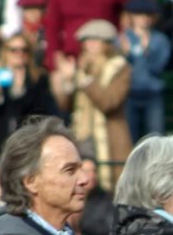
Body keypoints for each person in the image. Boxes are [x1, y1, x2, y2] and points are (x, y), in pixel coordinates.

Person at [51, 19, 132, 193]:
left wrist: (86, 80)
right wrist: (66, 82)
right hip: (82, 135)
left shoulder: (120, 67)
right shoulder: (82, 66)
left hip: (109, 138)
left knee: (109, 187)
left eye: (95, 41)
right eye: (87, 41)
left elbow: (109, 102)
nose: (89, 46)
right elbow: (67, 106)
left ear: (106, 44)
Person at [0, 32, 56, 157]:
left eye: (24, 50)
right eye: (14, 50)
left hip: (26, 145)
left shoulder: (38, 78)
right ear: (5, 52)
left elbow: (42, 112)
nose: (20, 54)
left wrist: (21, 88)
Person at [120, 0, 171, 143]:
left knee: (156, 138)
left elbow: (159, 67)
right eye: (139, 14)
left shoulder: (160, 40)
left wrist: (147, 52)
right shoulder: (124, 38)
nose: (144, 18)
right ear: (132, 16)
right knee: (130, 138)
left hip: (153, 94)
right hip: (129, 94)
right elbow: (118, 68)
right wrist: (125, 54)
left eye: (148, 15)